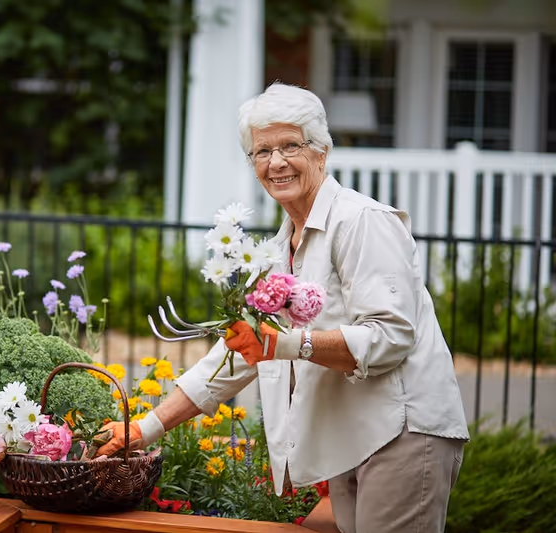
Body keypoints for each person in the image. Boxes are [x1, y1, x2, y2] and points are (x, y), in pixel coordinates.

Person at [97, 83, 469, 533]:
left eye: (290, 145)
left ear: (322, 151)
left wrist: (285, 343)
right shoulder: (277, 250)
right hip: (354, 436)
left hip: (403, 429)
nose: (275, 162)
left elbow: (388, 336)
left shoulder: (360, 221)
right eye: (261, 151)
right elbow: (233, 359)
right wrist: (143, 428)